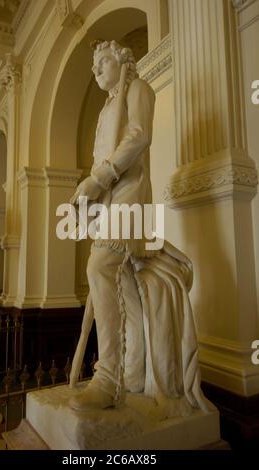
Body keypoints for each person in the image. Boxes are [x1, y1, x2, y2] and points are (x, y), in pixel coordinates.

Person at [69, 40, 212, 416]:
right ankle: (132, 372)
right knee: (126, 284)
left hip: (130, 197)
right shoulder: (105, 107)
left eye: (102, 62)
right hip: (107, 202)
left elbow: (138, 136)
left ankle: (107, 378)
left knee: (100, 268)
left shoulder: (138, 89)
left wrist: (97, 179)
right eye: (94, 65)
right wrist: (90, 192)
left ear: (122, 61)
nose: (95, 70)